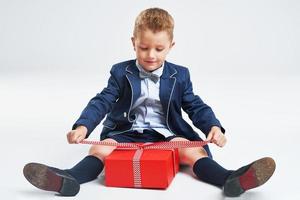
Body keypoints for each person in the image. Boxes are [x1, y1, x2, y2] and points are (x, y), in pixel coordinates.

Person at [23, 8, 275, 197]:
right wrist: (83, 127)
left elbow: (195, 105)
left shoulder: (180, 74)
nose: (150, 55)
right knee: (101, 148)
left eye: (158, 48)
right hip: (126, 133)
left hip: (166, 134)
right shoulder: (121, 72)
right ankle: (69, 179)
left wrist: (215, 127)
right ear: (133, 43)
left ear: (170, 47)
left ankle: (229, 179)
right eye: (143, 48)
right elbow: (102, 101)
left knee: (191, 150)